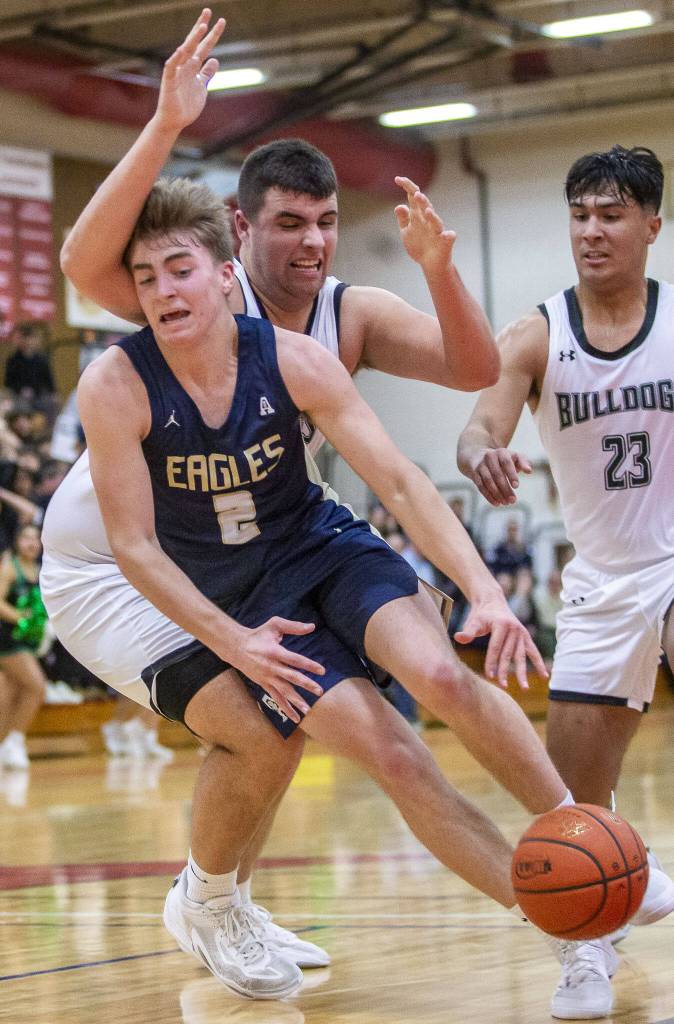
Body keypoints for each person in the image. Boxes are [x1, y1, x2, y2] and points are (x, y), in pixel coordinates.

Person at [43, 164, 609, 1008]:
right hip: (231, 589)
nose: (163, 290)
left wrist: (483, 591)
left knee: (446, 674)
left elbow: (405, 486)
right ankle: (573, 932)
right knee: (392, 753)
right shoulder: (117, 384)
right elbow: (134, 547)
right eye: (147, 277)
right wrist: (234, 642)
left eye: (182, 270)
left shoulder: (298, 359)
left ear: (225, 274)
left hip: (318, 542)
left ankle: (588, 836)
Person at [54, 7, 503, 975]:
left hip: (232, 549)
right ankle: (208, 900)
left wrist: (439, 273)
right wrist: (169, 120)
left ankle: (223, 900)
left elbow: (466, 377)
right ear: (238, 243)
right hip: (120, 560)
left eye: (327, 223)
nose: (312, 243)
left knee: (297, 717)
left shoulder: (339, 317)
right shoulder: (192, 293)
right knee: (266, 720)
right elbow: (81, 260)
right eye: (289, 224)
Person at [458, 143, 674, 1016]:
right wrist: (483, 458)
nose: (592, 230)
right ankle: (591, 945)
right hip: (601, 582)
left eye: (612, 213)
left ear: (652, 225)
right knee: (571, 804)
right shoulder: (537, 333)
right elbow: (478, 427)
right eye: (580, 213)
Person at [0, 524, 48, 768]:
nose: (31, 543)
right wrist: (21, 618)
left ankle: (4, 744)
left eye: (35, 538)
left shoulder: (41, 570)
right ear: (16, 541)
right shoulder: (9, 567)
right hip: (7, 638)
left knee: (8, 692)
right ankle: (15, 740)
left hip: (28, 640)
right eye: (26, 538)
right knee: (36, 687)